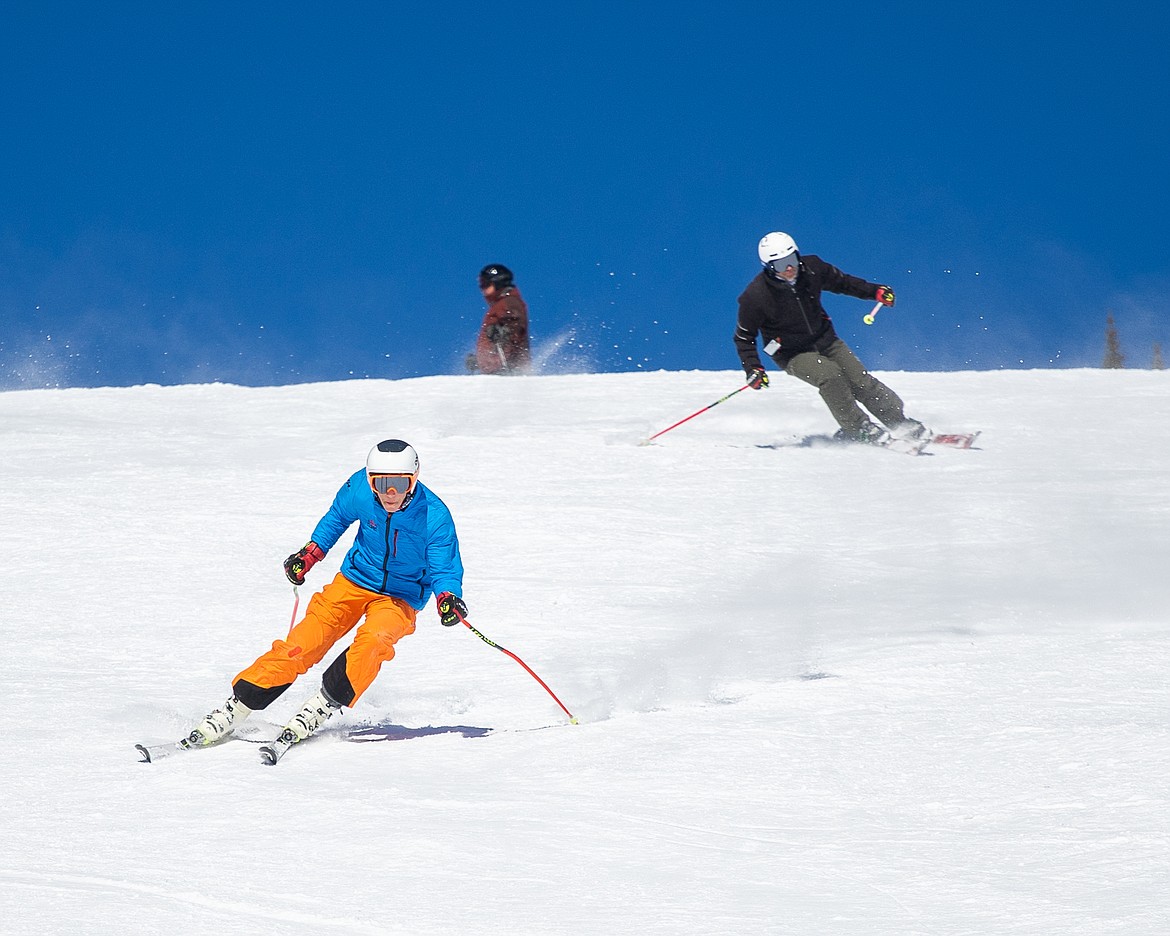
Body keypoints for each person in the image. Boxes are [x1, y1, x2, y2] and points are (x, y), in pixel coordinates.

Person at [185, 439, 469, 752]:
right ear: (370, 479)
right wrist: (311, 553)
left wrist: (447, 597)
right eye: (382, 483)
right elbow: (336, 518)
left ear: (414, 479)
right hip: (355, 580)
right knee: (302, 644)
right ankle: (237, 707)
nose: (390, 493)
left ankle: (323, 703)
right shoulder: (359, 489)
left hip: (400, 596)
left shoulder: (434, 515)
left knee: (375, 640)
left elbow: (444, 565)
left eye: (400, 484)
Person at [733, 232, 928, 443]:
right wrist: (753, 369)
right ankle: (859, 428)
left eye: (791, 261)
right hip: (792, 353)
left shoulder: (812, 268)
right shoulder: (755, 297)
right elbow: (744, 338)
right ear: (768, 267)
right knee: (830, 376)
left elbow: (843, 283)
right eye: (780, 265)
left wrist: (875, 292)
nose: (789, 268)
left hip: (827, 340)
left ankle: (899, 422)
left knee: (859, 380)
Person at [466, 263, 531, 374]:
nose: (483, 290)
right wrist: (481, 361)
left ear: (498, 283)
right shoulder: (500, 305)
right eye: (482, 285)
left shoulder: (508, 303)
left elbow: (512, 331)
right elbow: (496, 344)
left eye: (486, 284)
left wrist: (505, 332)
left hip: (507, 371)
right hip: (499, 369)